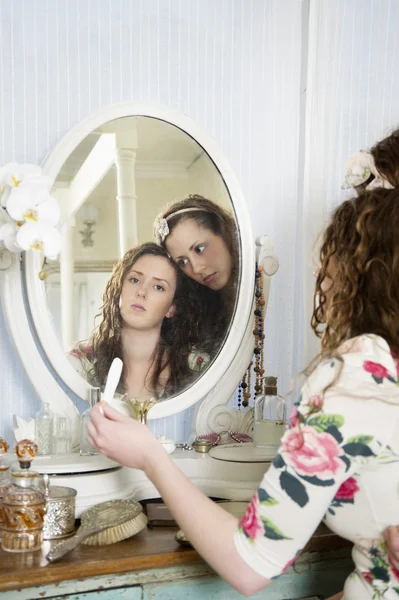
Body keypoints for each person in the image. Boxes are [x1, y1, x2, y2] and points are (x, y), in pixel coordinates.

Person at [87, 188, 399, 598]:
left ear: (357, 274)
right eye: (182, 261)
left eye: (328, 263)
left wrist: (150, 456)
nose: (321, 279)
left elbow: (250, 566)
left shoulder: (355, 375)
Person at [70, 243, 210, 400]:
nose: (141, 292)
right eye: (135, 280)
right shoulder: (80, 363)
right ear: (119, 288)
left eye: (158, 287)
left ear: (171, 308)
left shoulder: (197, 368)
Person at [153, 194, 239, 353]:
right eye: (183, 262)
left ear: (225, 233)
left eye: (199, 249)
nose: (197, 268)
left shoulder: (260, 279)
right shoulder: (199, 311)